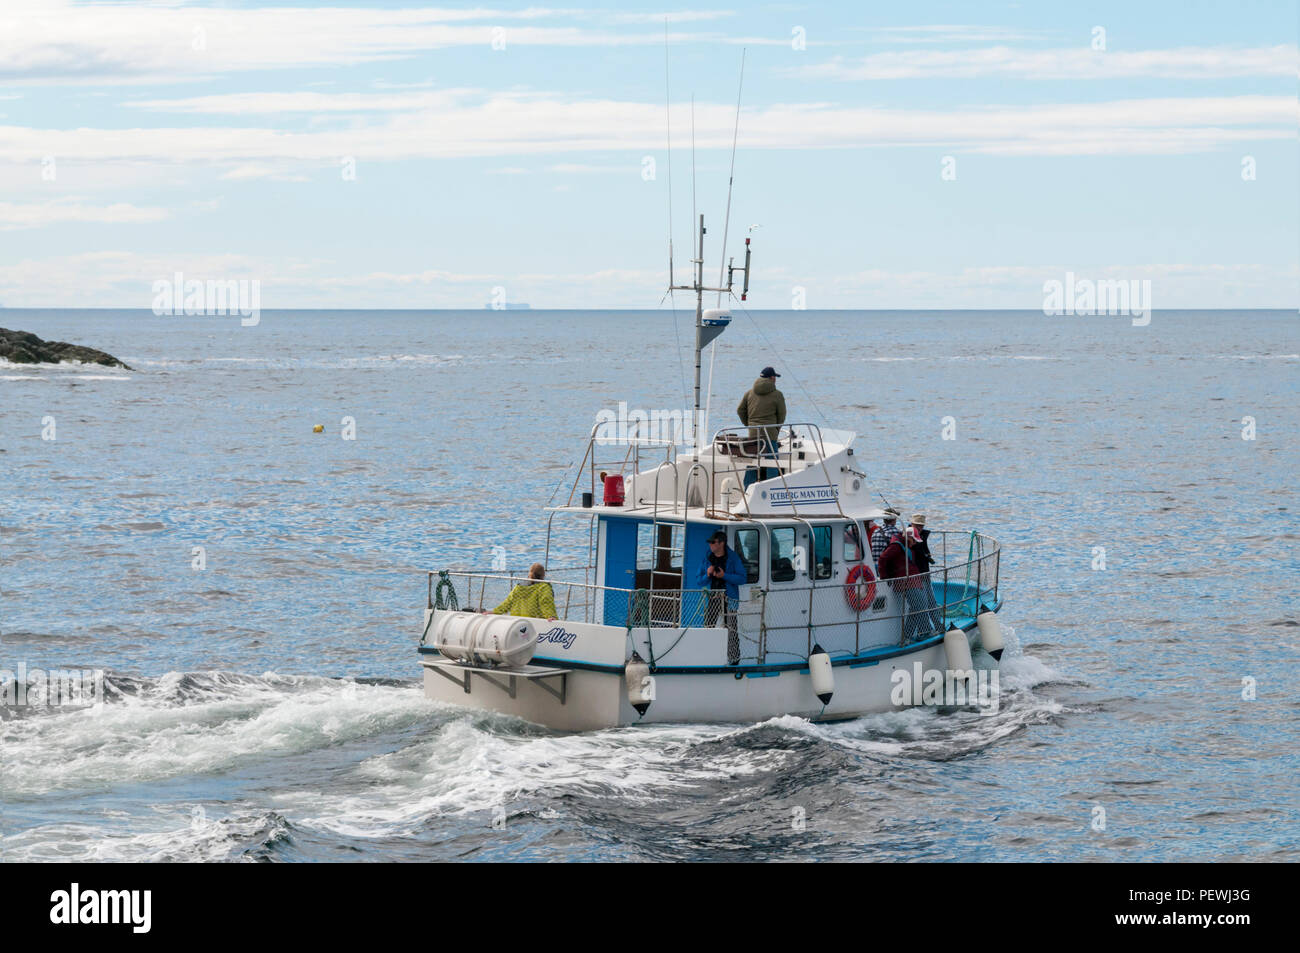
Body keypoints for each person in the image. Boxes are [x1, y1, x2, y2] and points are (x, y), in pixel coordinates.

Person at [876, 529, 938, 645]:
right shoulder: (896, 547)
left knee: (915, 608)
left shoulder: (903, 545)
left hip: (912, 580)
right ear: (908, 538)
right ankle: (925, 631)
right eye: (914, 540)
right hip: (906, 581)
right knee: (920, 605)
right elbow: (882, 559)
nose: (914, 543)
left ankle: (906, 638)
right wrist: (884, 577)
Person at [696, 530, 745, 665]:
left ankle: (734, 659)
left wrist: (725, 576)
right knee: (709, 627)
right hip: (713, 598)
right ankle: (706, 656)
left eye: (713, 542)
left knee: (732, 629)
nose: (710, 545)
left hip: (729, 599)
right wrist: (707, 575)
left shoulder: (733, 558)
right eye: (710, 542)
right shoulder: (707, 558)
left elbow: (742, 578)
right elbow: (699, 581)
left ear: (721, 543)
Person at [736, 366, 787, 483]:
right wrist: (776, 429)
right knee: (772, 463)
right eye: (775, 377)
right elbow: (782, 415)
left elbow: (740, 410)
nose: (776, 379)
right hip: (769, 434)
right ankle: (771, 488)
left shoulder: (749, 393)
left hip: (753, 433)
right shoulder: (777, 394)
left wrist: (748, 424)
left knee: (752, 462)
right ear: (772, 378)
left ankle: (748, 489)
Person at [490, 563, 558, 620]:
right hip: (534, 623)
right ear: (543, 575)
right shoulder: (543, 587)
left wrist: (494, 612)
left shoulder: (519, 587)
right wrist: (551, 616)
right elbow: (546, 603)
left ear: (529, 573)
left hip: (517, 622)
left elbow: (507, 603)